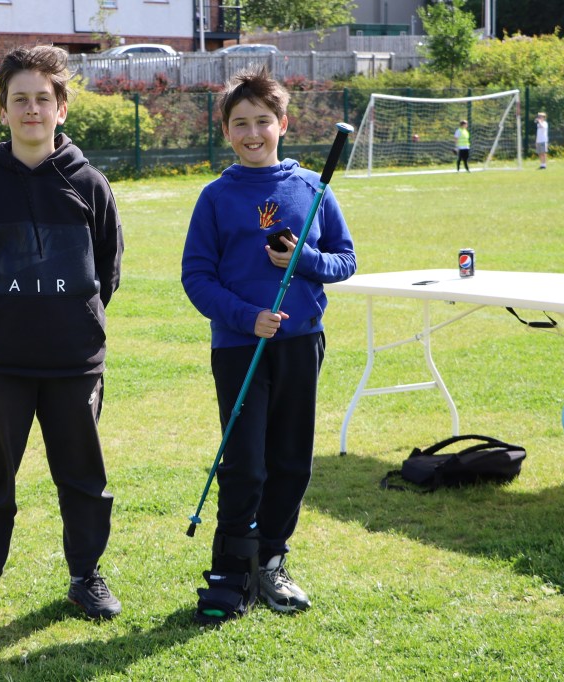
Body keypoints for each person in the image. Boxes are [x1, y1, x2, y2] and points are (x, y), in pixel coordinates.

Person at [0, 44, 124, 638]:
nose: (31, 110)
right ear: (2, 110)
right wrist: (1, 316)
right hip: (1, 362)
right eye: (19, 99)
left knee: (83, 479)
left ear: (61, 109)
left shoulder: (89, 183)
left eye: (42, 99)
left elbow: (108, 272)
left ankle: (86, 576)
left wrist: (72, 322)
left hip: (74, 362)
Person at [181, 65, 356, 625]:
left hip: (301, 344)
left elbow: (346, 260)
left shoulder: (313, 189)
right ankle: (231, 572)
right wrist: (246, 317)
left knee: (290, 461)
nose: (252, 133)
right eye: (240, 123)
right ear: (225, 131)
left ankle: (272, 562)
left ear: (283, 123)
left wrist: (303, 260)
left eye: (263, 120)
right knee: (245, 463)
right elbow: (197, 276)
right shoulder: (215, 197)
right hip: (240, 348)